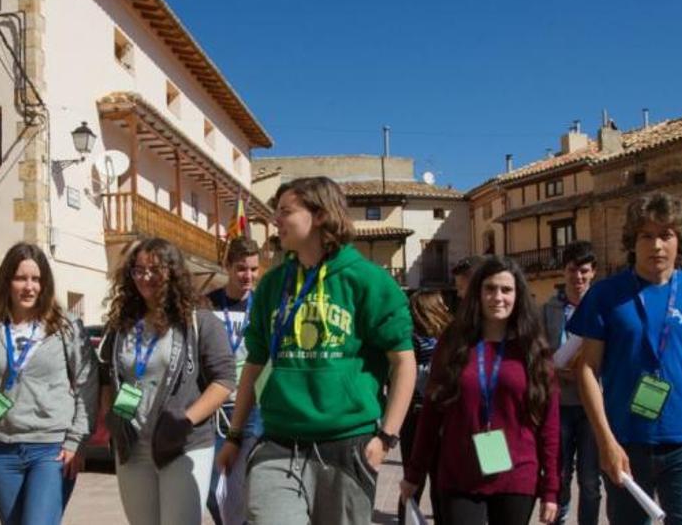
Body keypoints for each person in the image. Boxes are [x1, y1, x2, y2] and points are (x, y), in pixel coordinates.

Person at [216, 176, 417, 525]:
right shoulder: (272, 286)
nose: (275, 220)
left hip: (346, 445)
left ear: (320, 215)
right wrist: (234, 436)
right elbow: (254, 364)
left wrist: (385, 438)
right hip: (277, 442)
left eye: (285, 211)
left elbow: (403, 362)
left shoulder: (368, 281)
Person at [567, 192, 682, 525]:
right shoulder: (605, 295)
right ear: (633, 241)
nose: (656, 245)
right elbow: (586, 367)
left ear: (678, 240)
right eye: (647, 235)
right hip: (626, 442)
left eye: (666, 234)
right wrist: (605, 440)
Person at [0, 243, 98, 525]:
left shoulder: (65, 326)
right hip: (1, 451)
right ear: (6, 281)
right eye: (20, 278)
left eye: (36, 279)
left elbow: (87, 382)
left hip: (52, 449)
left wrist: (78, 440)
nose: (29, 286)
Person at [402, 256, 560, 525]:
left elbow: (549, 423)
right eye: (490, 288)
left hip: (517, 474)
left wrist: (551, 489)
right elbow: (431, 413)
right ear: (477, 293)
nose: (498, 297)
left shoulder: (532, 347)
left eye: (506, 290)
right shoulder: (453, 342)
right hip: (460, 472)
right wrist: (414, 474)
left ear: (518, 295)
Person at [100, 238, 237, 525]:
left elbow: (224, 380)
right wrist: (111, 418)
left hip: (182, 444)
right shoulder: (122, 323)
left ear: (172, 271)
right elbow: (108, 376)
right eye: (138, 270)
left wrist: (185, 420)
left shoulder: (198, 320)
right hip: (133, 447)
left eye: (154, 269)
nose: (145, 277)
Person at [542, 241, 602, 525]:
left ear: (593, 273)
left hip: (593, 406)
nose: (577, 277)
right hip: (559, 403)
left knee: (590, 479)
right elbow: (538, 353)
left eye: (584, 271)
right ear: (563, 272)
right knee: (560, 473)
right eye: (572, 270)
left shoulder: (604, 308)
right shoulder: (548, 310)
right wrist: (554, 371)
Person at [205, 237, 264, 525]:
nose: (249, 276)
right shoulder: (206, 304)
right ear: (227, 267)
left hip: (251, 409)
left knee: (243, 488)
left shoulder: (263, 306)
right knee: (212, 489)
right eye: (241, 269)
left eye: (254, 269)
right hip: (214, 410)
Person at [397, 289, 450, 523]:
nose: (446, 308)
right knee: (413, 480)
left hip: (444, 416)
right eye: (441, 303)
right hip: (417, 415)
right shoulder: (412, 338)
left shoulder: (448, 334)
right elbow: (408, 376)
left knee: (441, 481)